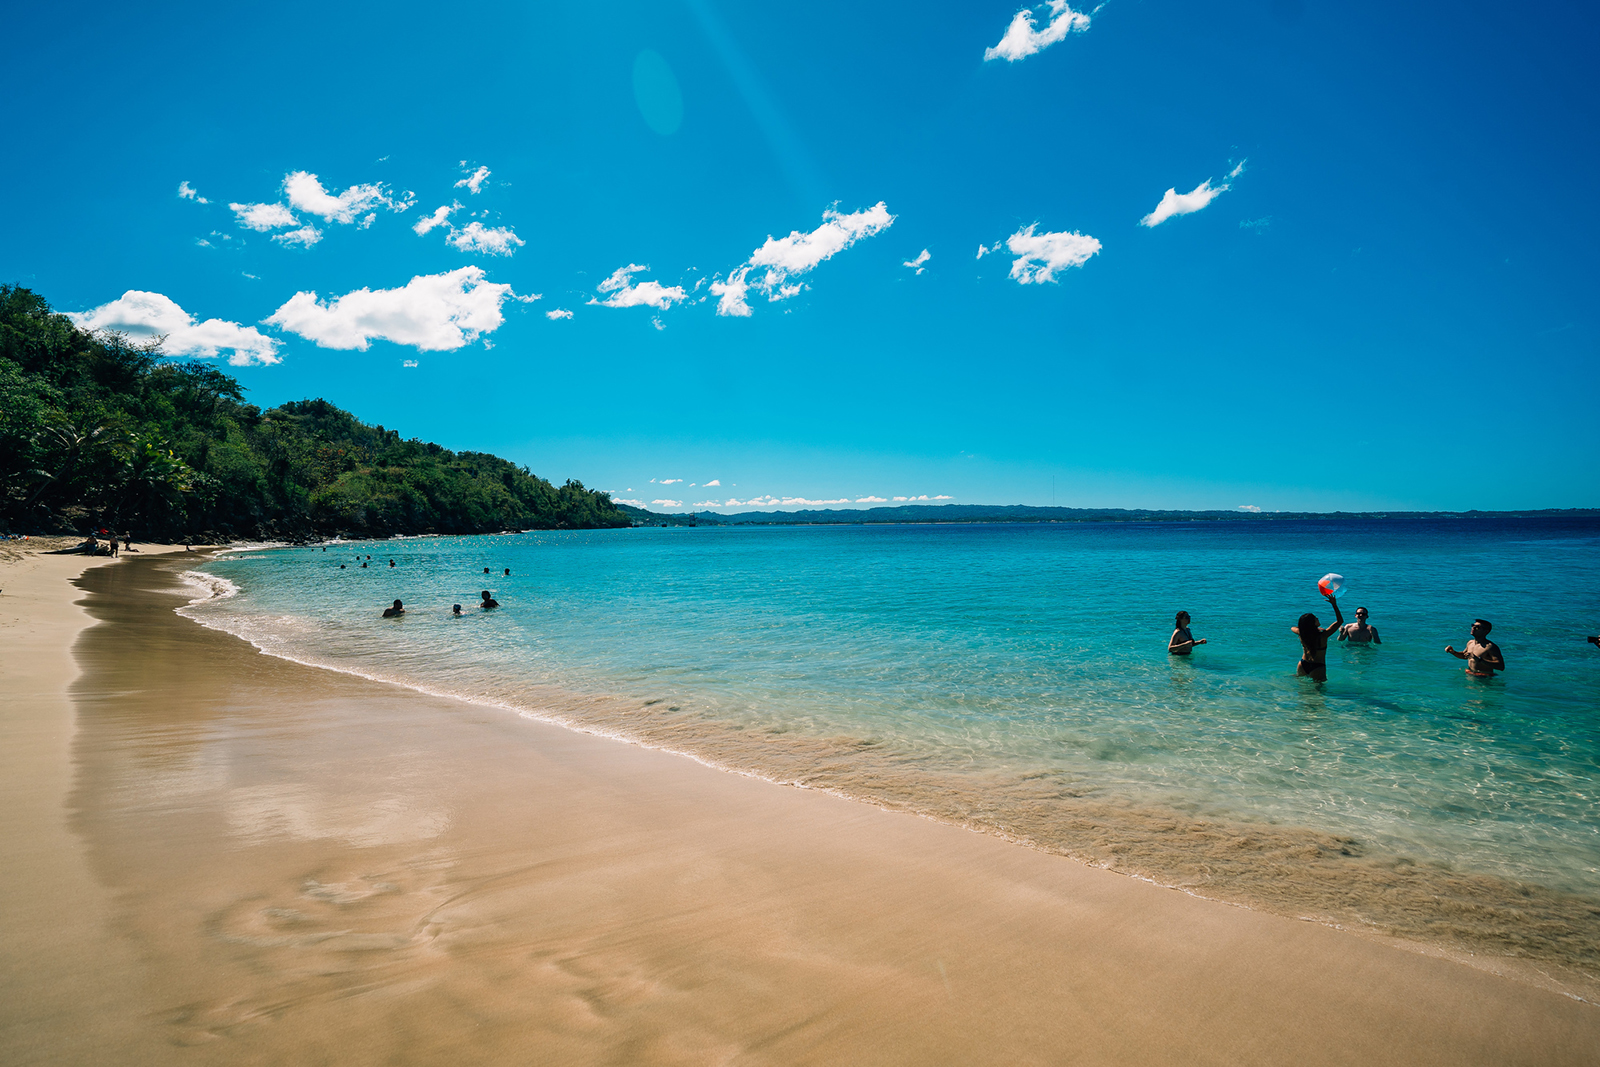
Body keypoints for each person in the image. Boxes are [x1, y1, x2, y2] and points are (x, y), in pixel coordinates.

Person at [1292, 595, 1345, 681]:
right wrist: (1334, 604)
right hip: (1317, 666)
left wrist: (1304, 629)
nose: (1317, 618)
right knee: (1318, 692)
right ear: (1313, 623)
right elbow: (1340, 621)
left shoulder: (1302, 633)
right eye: (1315, 618)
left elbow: (1292, 628)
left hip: (1303, 664)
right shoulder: (1323, 635)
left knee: (1301, 690)